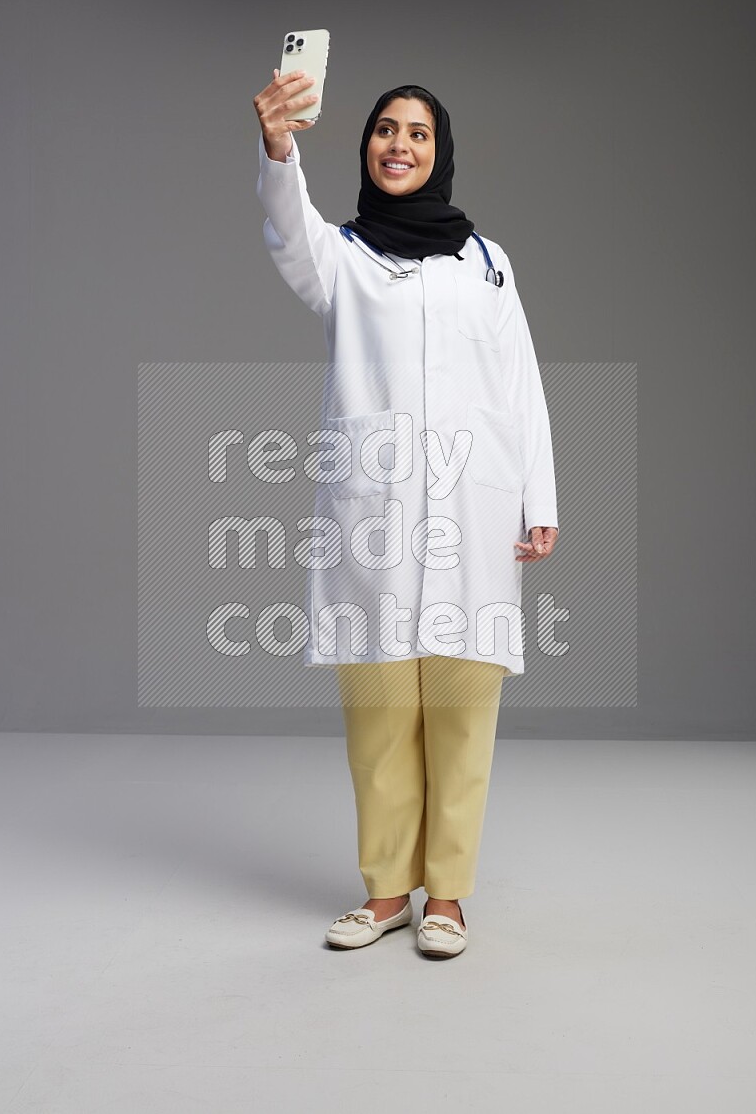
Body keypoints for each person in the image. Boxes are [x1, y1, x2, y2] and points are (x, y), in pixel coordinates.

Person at [253, 68, 559, 958]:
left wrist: (539, 496)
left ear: (441, 151)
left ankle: (450, 897)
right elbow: (287, 229)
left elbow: (522, 386)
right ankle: (388, 891)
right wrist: (280, 147)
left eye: (418, 133)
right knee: (381, 711)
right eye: (387, 129)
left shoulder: (490, 264)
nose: (400, 144)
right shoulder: (341, 256)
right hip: (375, 519)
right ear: (367, 146)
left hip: (474, 510)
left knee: (463, 710)